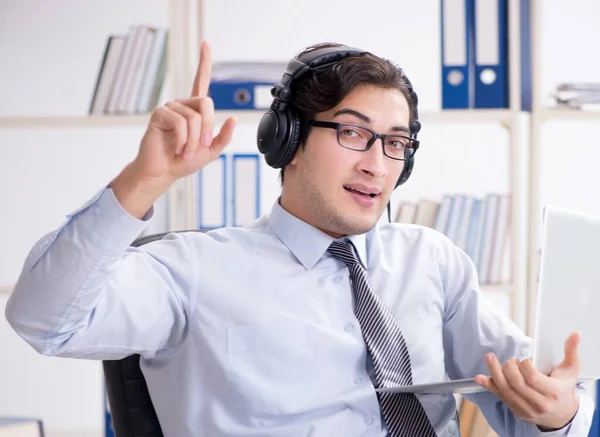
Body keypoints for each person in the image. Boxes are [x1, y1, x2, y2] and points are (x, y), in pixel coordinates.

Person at [5, 41, 594, 437]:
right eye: (353, 134)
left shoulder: (431, 259)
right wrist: (144, 179)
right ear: (286, 141)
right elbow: (42, 319)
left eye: (396, 143)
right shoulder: (191, 270)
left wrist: (556, 410)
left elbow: (530, 402)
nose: (378, 166)